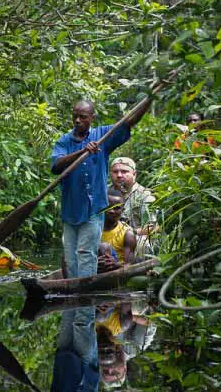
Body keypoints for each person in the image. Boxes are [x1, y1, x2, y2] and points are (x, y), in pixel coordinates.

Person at [52, 99, 151, 279]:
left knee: (85, 252)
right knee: (70, 256)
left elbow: (129, 121)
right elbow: (57, 166)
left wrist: (150, 98)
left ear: (92, 118)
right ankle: (73, 288)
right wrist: (82, 152)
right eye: (75, 116)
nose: (77, 121)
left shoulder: (103, 135)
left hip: (94, 209)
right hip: (70, 209)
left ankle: (85, 290)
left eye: (82, 117)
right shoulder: (64, 141)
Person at [101, 188, 136, 265]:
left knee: (104, 247)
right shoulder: (92, 228)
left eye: (116, 208)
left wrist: (115, 264)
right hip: (92, 269)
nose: (111, 211)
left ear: (122, 210)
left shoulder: (127, 234)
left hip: (115, 272)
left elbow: (129, 266)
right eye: (108, 206)